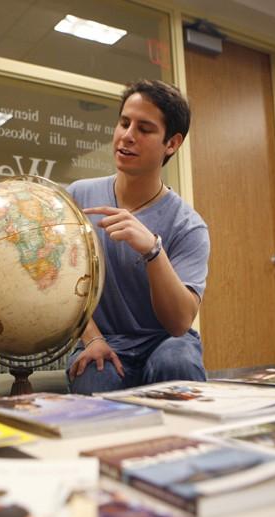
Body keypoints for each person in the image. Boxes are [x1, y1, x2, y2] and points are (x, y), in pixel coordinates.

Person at [66, 79, 210, 394]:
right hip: (102, 340)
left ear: (171, 144)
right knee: (94, 379)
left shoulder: (189, 226)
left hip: (166, 341)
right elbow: (57, 284)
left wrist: (153, 251)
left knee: (178, 365)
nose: (127, 136)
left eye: (144, 129)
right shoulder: (77, 196)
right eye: (124, 123)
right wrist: (92, 338)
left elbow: (179, 323)